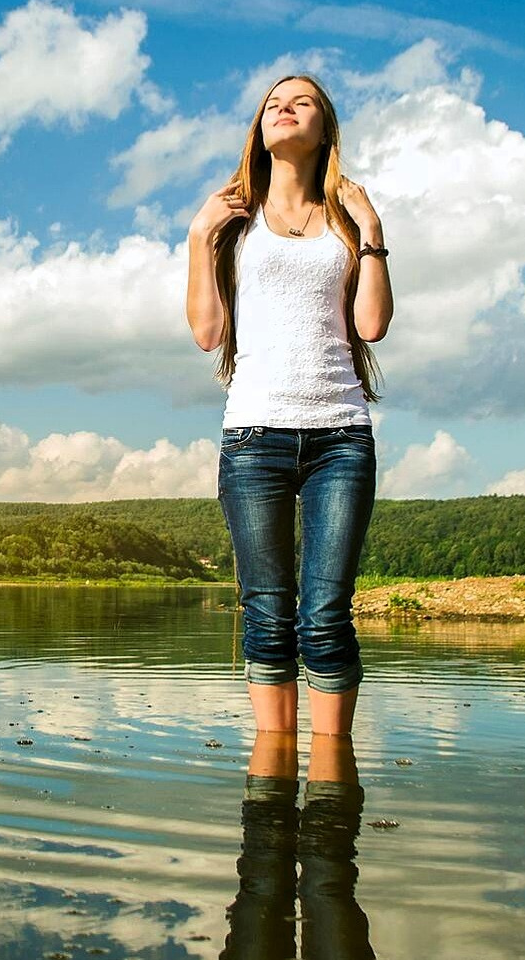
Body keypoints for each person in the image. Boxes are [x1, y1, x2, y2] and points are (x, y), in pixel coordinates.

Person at [184, 73, 393, 735]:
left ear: (323, 128)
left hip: (340, 438)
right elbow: (208, 333)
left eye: (300, 102)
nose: (284, 108)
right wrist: (197, 237)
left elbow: (372, 326)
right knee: (268, 614)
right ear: (260, 128)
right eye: (273, 102)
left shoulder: (346, 221)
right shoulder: (233, 223)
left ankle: (333, 781)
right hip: (253, 438)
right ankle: (270, 778)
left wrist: (372, 230)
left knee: (327, 614)